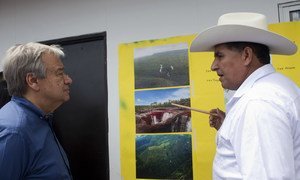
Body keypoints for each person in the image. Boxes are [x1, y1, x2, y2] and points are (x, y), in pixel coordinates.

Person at [190, 12, 300, 179]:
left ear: (246, 56)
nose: (213, 66)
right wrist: (229, 125)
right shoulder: (278, 87)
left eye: (220, 56)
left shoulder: (258, 104)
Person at [0, 42, 73, 179]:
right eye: (59, 73)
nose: (68, 80)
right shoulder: (15, 132)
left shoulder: (41, 119)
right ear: (33, 80)